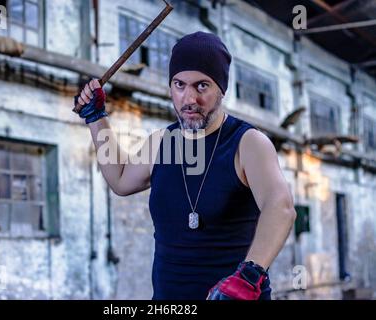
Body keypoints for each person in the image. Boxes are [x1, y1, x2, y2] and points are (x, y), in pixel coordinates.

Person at [73, 31, 296, 300]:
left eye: (202, 86)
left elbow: (280, 207)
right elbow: (120, 180)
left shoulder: (247, 143)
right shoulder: (161, 143)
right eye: (179, 85)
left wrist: (250, 275)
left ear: (221, 90)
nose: (189, 99)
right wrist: (96, 118)